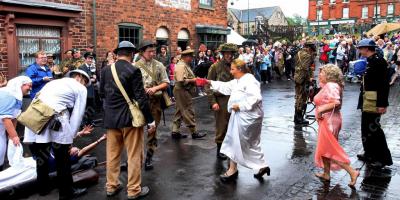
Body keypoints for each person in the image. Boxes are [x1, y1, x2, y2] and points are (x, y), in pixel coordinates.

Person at [100, 41, 155, 199]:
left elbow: (101, 94)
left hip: (111, 119)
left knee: (112, 155)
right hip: (130, 120)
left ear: (117, 54)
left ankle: (111, 186)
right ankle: (133, 190)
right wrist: (150, 120)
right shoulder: (133, 70)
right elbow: (141, 98)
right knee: (134, 155)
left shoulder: (105, 71)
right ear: (132, 54)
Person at [23, 69, 90, 199]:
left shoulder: (53, 83)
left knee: (42, 157)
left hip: (37, 117)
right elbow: (78, 114)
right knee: (62, 159)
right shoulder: (81, 88)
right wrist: (72, 135)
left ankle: (43, 188)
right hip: (57, 119)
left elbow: (36, 99)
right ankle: (66, 193)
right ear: (80, 77)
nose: (84, 85)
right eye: (85, 82)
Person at [205, 59, 270, 182]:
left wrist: (240, 106)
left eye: (233, 69)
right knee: (247, 143)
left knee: (240, 142)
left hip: (247, 117)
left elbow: (256, 97)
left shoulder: (250, 81)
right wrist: (208, 81)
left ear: (239, 69)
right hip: (241, 116)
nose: (231, 71)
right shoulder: (238, 81)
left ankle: (233, 170)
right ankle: (260, 166)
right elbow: (225, 86)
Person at [313, 64, 359, 188]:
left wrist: (320, 110)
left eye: (322, 73)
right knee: (325, 148)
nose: (319, 75)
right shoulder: (330, 85)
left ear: (329, 75)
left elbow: (335, 102)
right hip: (330, 119)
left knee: (330, 150)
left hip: (329, 121)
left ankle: (352, 172)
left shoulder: (331, 85)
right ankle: (326, 174)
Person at [356, 39, 392, 169]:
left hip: (375, 101)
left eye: (360, 48)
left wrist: (382, 104)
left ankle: (382, 159)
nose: (359, 50)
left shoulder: (379, 61)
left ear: (367, 48)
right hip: (367, 99)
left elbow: (384, 85)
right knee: (365, 128)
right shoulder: (370, 61)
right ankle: (369, 153)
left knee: (374, 129)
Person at [135, 40, 170, 171]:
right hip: (139, 103)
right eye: (149, 51)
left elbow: (166, 82)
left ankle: (149, 156)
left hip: (155, 103)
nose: (152, 53)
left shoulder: (159, 65)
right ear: (142, 52)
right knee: (136, 131)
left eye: (153, 51)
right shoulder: (135, 66)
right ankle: (134, 158)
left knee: (152, 131)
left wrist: (155, 88)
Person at [206, 43, 237, 160]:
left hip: (234, 99)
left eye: (231, 54)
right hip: (221, 100)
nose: (229, 56)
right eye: (227, 53)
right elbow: (208, 86)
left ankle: (232, 148)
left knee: (234, 125)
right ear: (223, 54)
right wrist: (213, 102)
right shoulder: (215, 67)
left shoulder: (236, 66)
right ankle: (220, 149)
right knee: (221, 126)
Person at [172, 49, 206, 139]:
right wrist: (193, 80)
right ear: (186, 57)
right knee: (188, 110)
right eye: (190, 57)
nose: (191, 59)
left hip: (182, 90)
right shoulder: (181, 66)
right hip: (182, 90)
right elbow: (181, 80)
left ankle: (175, 131)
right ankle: (194, 132)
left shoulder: (184, 65)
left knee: (179, 111)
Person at [0, 76, 32, 171]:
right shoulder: (8, 95)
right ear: (20, 85)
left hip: (1, 129)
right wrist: (14, 136)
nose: (30, 89)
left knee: (2, 150)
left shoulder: (16, 95)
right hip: (1, 126)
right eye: (29, 86)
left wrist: (12, 136)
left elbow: (14, 117)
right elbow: (6, 118)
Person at [294, 42, 316, 125]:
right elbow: (306, 69)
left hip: (297, 77)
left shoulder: (299, 53)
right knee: (301, 98)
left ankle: (296, 117)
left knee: (298, 97)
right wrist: (310, 79)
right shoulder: (308, 56)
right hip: (303, 79)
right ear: (309, 48)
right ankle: (299, 118)